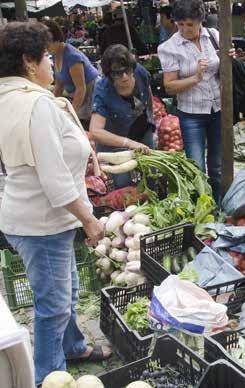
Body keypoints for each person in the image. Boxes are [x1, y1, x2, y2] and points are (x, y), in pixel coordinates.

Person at [0, 21, 110, 385]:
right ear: (29, 62)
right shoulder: (34, 105)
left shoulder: (8, 97)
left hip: (33, 217)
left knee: (67, 290)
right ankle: (48, 375)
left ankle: (75, 345)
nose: (52, 64)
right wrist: (89, 220)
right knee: (53, 306)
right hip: (43, 222)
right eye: (47, 57)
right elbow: (55, 180)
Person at [158, 0, 235, 204]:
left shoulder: (214, 36)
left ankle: (218, 207)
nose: (184, 29)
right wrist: (195, 78)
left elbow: (223, 68)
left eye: (189, 24)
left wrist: (230, 57)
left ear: (200, 20)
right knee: (197, 167)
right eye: (180, 24)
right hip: (192, 114)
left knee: (217, 166)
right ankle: (202, 210)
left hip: (218, 109)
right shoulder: (169, 48)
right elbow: (170, 86)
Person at [89, 44, 154, 188]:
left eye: (127, 70)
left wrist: (152, 121)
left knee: (152, 174)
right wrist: (128, 143)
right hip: (114, 141)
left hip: (142, 129)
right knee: (123, 185)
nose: (124, 77)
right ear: (109, 75)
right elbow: (95, 131)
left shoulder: (140, 72)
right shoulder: (103, 89)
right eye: (117, 73)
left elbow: (149, 96)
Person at [41, 19, 99, 128]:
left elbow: (81, 89)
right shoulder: (55, 54)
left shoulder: (72, 56)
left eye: (47, 45)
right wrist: (51, 106)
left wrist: (71, 115)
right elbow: (59, 86)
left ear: (56, 39)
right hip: (80, 96)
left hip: (91, 95)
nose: (46, 49)